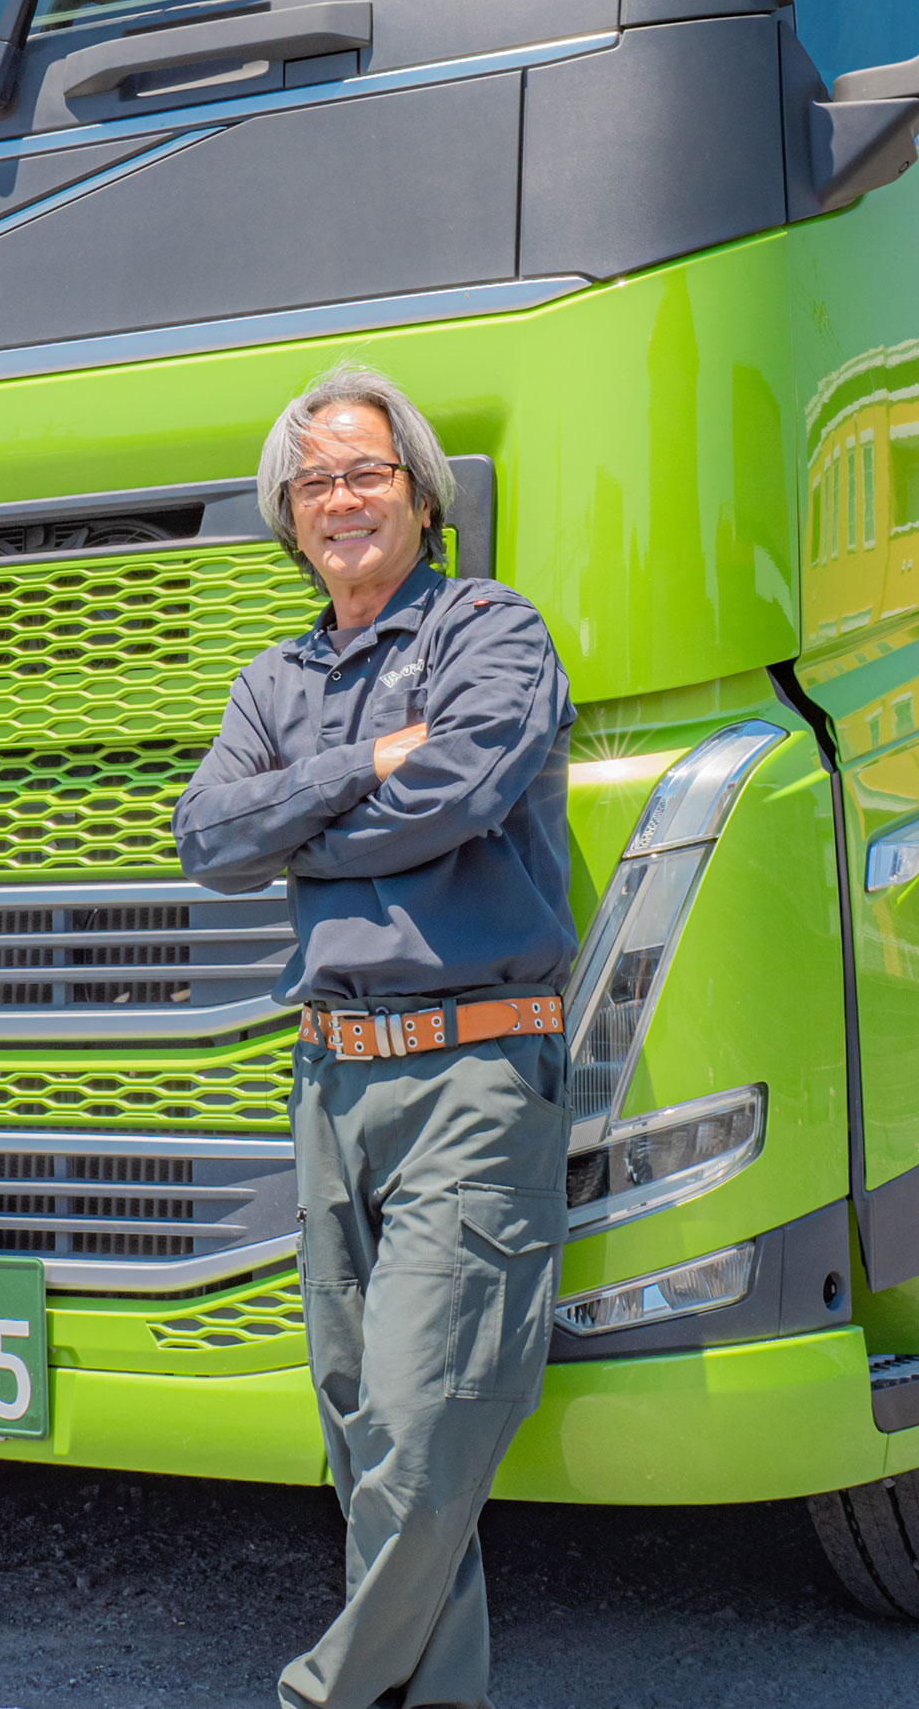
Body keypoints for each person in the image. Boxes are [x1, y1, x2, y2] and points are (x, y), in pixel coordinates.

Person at [173, 364, 577, 1709]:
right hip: (330, 1081)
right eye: (316, 483)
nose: (341, 499)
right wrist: (358, 765)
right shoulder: (273, 679)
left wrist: (300, 826)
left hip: (472, 1072)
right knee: (366, 1437)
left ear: (421, 496)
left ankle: (325, 1696)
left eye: (366, 473)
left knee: (420, 1422)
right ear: (289, 516)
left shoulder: (490, 631)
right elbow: (206, 835)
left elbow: (456, 793)